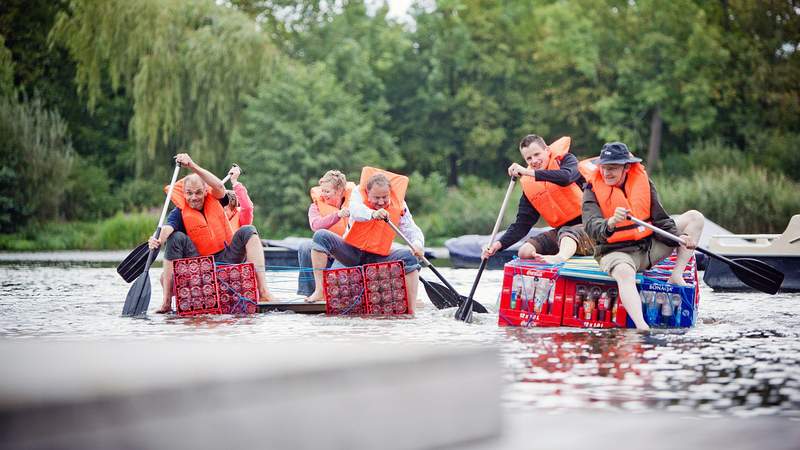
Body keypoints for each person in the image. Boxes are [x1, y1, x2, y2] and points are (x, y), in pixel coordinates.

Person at [582, 142, 704, 330]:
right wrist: (611, 222)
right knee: (624, 272)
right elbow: (591, 226)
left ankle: (676, 275)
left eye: (612, 168)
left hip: (647, 248)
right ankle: (641, 327)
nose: (606, 173)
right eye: (604, 168)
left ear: (627, 167)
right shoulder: (591, 189)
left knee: (695, 218)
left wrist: (681, 240)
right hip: (615, 252)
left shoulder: (643, 182)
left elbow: (661, 220)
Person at [148, 153, 275, 313]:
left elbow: (220, 187)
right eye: (189, 193)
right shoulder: (179, 211)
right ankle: (166, 302)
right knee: (175, 237)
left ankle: (264, 292)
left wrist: (192, 165)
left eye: (198, 192)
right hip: (200, 263)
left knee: (248, 230)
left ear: (205, 191)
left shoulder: (215, 197)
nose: (194, 198)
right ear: (184, 193)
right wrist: (157, 239)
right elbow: (167, 228)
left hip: (227, 256)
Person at [303, 167, 424, 314]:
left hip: (379, 256)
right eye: (376, 198)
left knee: (410, 257)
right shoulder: (357, 194)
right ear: (367, 193)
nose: (381, 202)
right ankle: (319, 291)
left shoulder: (399, 204)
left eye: (384, 197)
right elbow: (356, 211)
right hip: (351, 252)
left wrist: (417, 244)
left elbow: (412, 229)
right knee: (321, 236)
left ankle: (411, 312)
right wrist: (373, 213)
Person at [482, 135, 594, 263]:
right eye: (529, 158)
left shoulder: (567, 161)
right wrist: (497, 245)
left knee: (567, 235)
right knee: (525, 252)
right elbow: (522, 225)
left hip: (590, 227)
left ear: (547, 150)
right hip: (562, 232)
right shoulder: (531, 186)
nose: (534, 161)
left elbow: (566, 178)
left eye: (537, 154)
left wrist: (527, 172)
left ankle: (560, 258)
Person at [296, 170, 355, 296]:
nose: (323, 194)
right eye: (322, 190)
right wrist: (337, 215)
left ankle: (333, 293)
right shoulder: (315, 206)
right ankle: (310, 293)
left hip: (348, 253)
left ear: (339, 191)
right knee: (305, 246)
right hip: (325, 253)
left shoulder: (355, 203)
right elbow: (316, 225)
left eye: (327, 191)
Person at [224, 165, 254, 230]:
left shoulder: (241, 220)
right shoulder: (212, 216)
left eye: (226, 200)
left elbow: (247, 207)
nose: (223, 204)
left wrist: (234, 181)